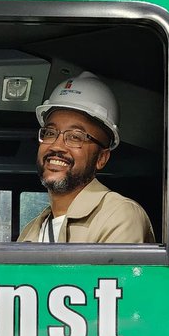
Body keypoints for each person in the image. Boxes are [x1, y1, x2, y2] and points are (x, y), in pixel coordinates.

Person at [18, 71, 154, 244]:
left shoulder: (118, 216)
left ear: (101, 158)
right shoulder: (31, 231)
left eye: (75, 136)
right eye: (50, 133)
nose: (56, 146)